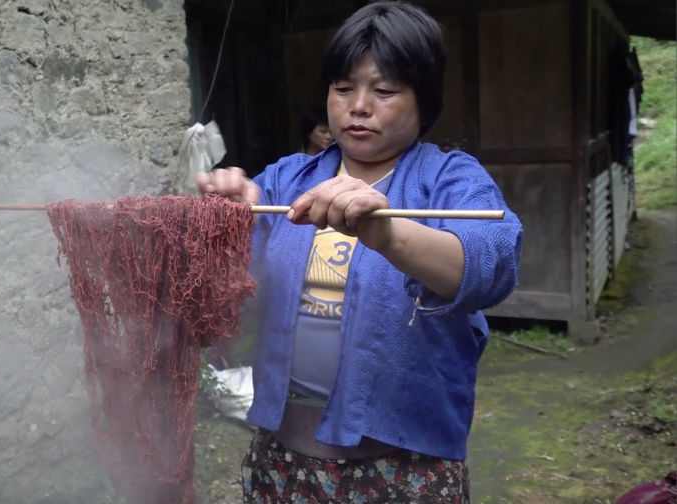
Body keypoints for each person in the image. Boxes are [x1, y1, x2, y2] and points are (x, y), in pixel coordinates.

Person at [196, 1, 523, 502]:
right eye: (343, 88)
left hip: (404, 467)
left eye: (385, 90)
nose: (358, 105)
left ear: (424, 100)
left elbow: (492, 263)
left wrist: (389, 236)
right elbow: (234, 282)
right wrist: (230, 219)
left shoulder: (450, 179)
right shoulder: (289, 178)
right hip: (285, 457)